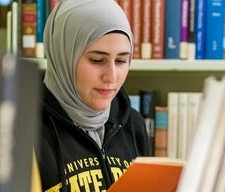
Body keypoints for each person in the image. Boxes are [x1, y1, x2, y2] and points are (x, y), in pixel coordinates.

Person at [35, 0, 152, 191]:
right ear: (63, 56)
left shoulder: (133, 124)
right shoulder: (24, 129)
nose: (111, 77)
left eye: (121, 60)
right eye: (97, 60)